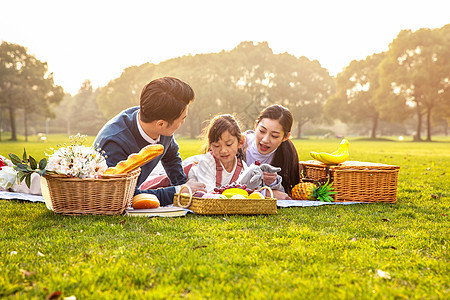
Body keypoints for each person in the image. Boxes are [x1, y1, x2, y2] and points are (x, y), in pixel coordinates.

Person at [94, 77, 206, 206]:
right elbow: (126, 196)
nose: (183, 122)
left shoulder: (158, 118)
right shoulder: (114, 143)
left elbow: (171, 157)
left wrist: (184, 186)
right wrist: (179, 191)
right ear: (161, 124)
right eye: (182, 119)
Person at [243, 104, 300, 199]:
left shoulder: (285, 155)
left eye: (274, 136)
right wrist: (267, 193)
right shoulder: (239, 146)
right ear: (256, 126)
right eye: (262, 131)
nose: (265, 140)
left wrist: (274, 183)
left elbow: (286, 193)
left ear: (285, 137)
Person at [187, 114, 247, 193]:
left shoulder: (242, 167)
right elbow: (209, 195)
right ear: (210, 145)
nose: (223, 151)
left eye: (228, 144)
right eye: (217, 146)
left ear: (240, 142)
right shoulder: (207, 163)